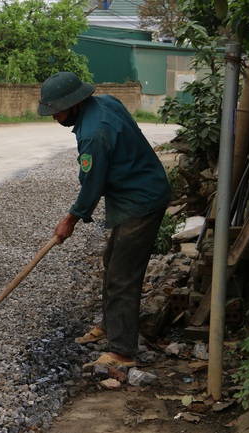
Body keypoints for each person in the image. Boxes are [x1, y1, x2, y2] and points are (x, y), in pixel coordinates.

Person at [37, 72, 172, 368]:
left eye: (56, 110)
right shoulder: (105, 102)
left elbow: (92, 186)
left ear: (73, 104)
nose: (54, 116)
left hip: (141, 201)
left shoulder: (93, 133)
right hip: (136, 191)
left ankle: (122, 352)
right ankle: (111, 326)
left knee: (122, 276)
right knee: (112, 261)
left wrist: (69, 220)